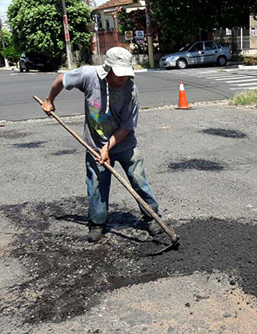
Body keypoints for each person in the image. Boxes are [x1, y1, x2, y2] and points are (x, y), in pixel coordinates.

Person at [41, 47, 164, 242]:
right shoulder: (89, 76)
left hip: (124, 143)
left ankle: (152, 217)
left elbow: (126, 127)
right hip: (94, 145)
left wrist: (108, 147)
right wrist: (49, 100)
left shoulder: (130, 90)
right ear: (108, 68)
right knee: (96, 184)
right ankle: (97, 222)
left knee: (138, 179)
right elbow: (61, 80)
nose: (123, 78)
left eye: (126, 73)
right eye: (119, 74)